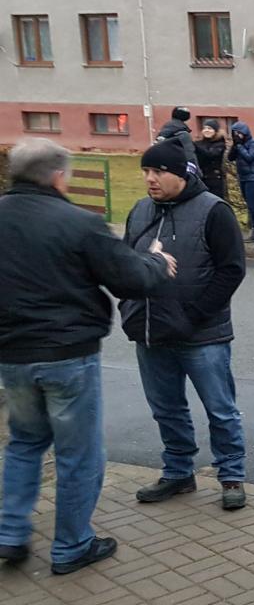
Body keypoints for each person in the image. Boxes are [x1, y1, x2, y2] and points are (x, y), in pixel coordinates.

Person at [0, 138, 176, 574]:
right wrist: (156, 262)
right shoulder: (79, 223)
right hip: (68, 355)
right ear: (59, 176)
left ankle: (10, 533)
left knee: (24, 442)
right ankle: (72, 545)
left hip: (12, 355)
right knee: (79, 453)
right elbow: (129, 278)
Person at [118, 138, 249, 512]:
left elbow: (231, 271)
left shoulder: (213, 211)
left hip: (202, 335)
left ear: (181, 174)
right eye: (146, 171)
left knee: (220, 409)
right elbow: (124, 263)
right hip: (151, 331)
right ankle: (178, 472)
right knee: (167, 409)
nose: (150, 179)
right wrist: (128, 306)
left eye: (158, 171)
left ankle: (231, 475)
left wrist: (194, 315)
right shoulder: (140, 211)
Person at [228, 121, 254, 242]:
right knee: (249, 205)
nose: (237, 136)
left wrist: (240, 146)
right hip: (243, 177)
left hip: (253, 177)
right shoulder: (238, 144)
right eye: (235, 133)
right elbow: (230, 158)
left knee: (252, 205)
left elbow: (249, 157)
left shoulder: (253, 143)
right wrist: (234, 146)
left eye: (239, 133)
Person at [156, 106, 198, 177]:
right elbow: (190, 155)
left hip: (164, 167)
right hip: (178, 166)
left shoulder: (165, 129)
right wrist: (197, 173)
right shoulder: (183, 133)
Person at [194, 119, 227, 199]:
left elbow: (211, 154)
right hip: (201, 178)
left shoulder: (220, 144)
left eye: (210, 128)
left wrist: (196, 147)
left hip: (215, 179)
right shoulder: (199, 143)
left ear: (215, 131)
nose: (207, 130)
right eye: (205, 128)